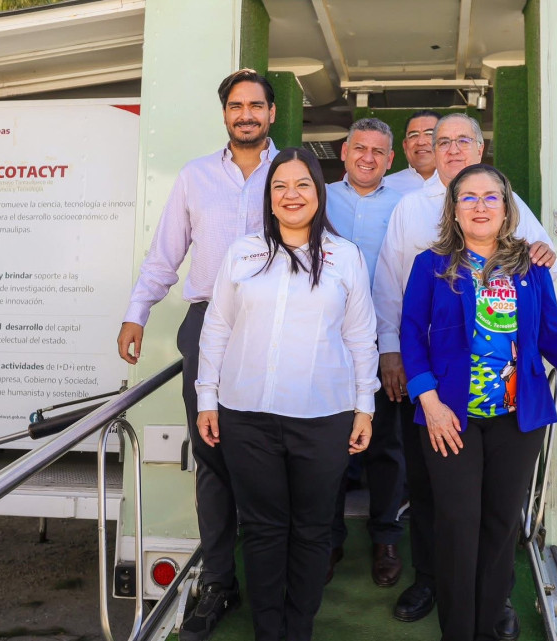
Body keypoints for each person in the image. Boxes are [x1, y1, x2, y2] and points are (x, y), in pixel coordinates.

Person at [401, 164, 557, 641]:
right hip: (449, 416)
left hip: (517, 420)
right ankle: (458, 631)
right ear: (454, 211)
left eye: (490, 198)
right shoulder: (431, 264)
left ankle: (489, 619)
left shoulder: (530, 266)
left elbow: (552, 335)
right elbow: (412, 335)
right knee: (458, 523)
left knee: (501, 523)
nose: (480, 206)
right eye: (469, 198)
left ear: (507, 210)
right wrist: (430, 401)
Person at [374, 112, 557, 634]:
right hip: (437, 389)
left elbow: (545, 287)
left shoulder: (509, 206)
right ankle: (432, 582)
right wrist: (398, 362)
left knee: (493, 516)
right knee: (437, 500)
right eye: (443, 141)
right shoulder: (411, 209)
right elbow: (393, 290)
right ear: (430, 151)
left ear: (479, 147)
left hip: (509, 407)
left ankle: (490, 601)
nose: (452, 148)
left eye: (463, 140)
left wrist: (544, 251)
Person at [115, 68, 277, 641]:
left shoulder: (291, 175)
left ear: (272, 114)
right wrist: (137, 311)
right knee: (212, 457)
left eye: (256, 105)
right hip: (206, 322)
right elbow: (165, 255)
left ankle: (270, 584)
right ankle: (217, 582)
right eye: (236, 106)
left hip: (275, 327)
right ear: (226, 114)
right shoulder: (195, 177)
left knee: (268, 455)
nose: (246, 114)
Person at [195, 147, 379, 641]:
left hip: (323, 416)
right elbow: (216, 329)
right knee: (262, 529)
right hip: (246, 415)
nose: (290, 195)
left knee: (313, 528)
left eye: (301, 185)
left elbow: (361, 336)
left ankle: (298, 629)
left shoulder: (346, 257)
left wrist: (366, 407)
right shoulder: (243, 253)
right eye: (280, 187)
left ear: (319, 193)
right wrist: (206, 398)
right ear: (268, 198)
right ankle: (268, 631)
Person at [325, 117, 407, 587]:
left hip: (383, 342)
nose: (368, 157)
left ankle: (386, 539)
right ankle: (329, 538)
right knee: (330, 444)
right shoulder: (319, 199)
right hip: (324, 342)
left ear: (389, 160)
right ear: (345, 150)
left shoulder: (405, 206)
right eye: (360, 148)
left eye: (378, 151)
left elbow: (404, 277)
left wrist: (392, 348)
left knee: (386, 447)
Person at [382, 110, 441, 194]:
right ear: (405, 145)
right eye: (413, 135)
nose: (420, 142)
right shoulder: (384, 187)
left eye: (429, 134)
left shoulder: (460, 183)